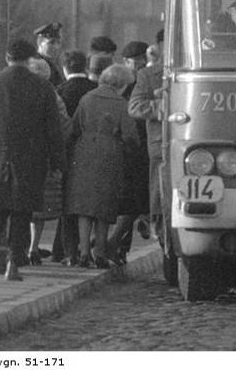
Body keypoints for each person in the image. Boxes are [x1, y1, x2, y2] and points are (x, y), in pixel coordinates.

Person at [0, 39, 66, 281]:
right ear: (31, 59)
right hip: (31, 160)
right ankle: (13, 261)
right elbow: (53, 128)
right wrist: (57, 161)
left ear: (6, 57)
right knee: (22, 214)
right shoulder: (43, 87)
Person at [65, 64, 138, 269]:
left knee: (84, 205)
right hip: (110, 152)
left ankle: (84, 253)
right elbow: (130, 136)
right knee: (104, 205)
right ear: (121, 84)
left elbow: (75, 126)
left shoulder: (87, 98)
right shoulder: (121, 103)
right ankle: (99, 252)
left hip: (85, 150)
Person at [107, 41, 151, 264]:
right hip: (127, 146)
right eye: (136, 61)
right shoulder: (122, 83)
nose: (141, 64)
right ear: (126, 62)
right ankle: (115, 243)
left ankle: (120, 247)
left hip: (141, 148)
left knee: (133, 198)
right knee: (128, 199)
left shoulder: (142, 82)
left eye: (143, 60)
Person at [26, 57, 72, 265]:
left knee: (21, 205)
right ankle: (33, 247)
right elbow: (65, 126)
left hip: (22, 156)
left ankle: (19, 247)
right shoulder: (53, 96)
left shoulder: (20, 94)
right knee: (39, 208)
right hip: (44, 158)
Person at [52, 50, 97, 265]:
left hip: (67, 151)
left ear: (65, 68)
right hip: (90, 152)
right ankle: (86, 248)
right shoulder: (95, 90)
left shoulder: (60, 91)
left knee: (66, 203)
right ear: (85, 66)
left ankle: (67, 251)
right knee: (87, 203)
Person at [128, 30, 165, 240]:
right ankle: (159, 228)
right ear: (159, 46)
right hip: (161, 145)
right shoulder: (148, 75)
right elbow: (134, 107)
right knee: (159, 192)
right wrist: (162, 107)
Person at [34, 22, 66, 88]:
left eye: (58, 43)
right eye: (51, 42)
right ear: (40, 42)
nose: (56, 47)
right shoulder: (36, 64)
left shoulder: (55, 63)